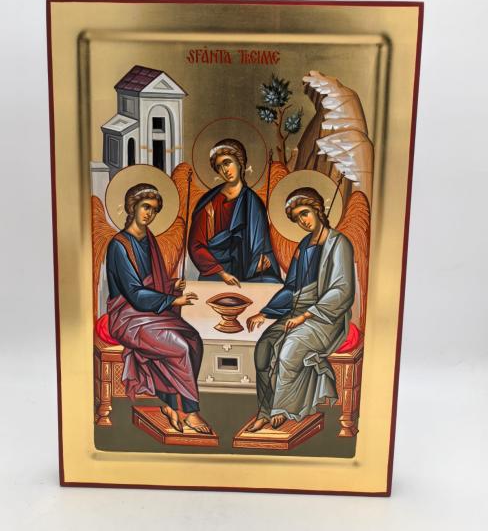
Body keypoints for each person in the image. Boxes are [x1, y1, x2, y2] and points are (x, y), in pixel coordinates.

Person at [245, 187, 355, 431]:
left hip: (326, 318)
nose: (303, 221)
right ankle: (264, 410)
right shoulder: (304, 245)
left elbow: (342, 290)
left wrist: (306, 315)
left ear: (318, 209)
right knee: (263, 348)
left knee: (289, 349)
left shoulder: (339, 243)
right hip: (296, 312)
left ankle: (282, 409)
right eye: (297, 218)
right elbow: (292, 287)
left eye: (305, 213)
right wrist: (265, 312)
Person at [106, 182, 211, 434]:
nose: (149, 214)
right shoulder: (119, 245)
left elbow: (152, 282)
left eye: (154, 209)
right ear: (132, 207)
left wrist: (172, 286)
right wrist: (172, 300)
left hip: (151, 313)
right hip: (128, 316)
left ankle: (171, 405)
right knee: (180, 347)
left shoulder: (148, 239)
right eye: (145, 207)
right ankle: (190, 411)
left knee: (193, 340)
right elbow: (134, 292)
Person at [188, 138, 281, 285]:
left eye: (227, 163)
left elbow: (262, 245)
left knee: (272, 282)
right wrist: (221, 273)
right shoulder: (209, 203)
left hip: (247, 271)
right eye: (219, 167)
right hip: (214, 272)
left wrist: (262, 261)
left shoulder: (253, 203)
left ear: (239, 162)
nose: (224, 170)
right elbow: (195, 245)